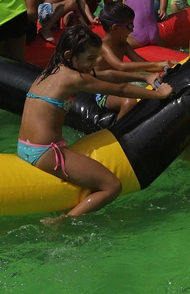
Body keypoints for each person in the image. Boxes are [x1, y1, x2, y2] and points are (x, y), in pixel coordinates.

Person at [19, 26, 172, 222]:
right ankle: (63, 221)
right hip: (45, 152)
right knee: (112, 186)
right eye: (91, 59)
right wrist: (158, 94)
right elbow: (122, 89)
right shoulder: (73, 78)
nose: (95, 64)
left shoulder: (52, 71)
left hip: (25, 146)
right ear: (69, 55)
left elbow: (106, 75)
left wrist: (144, 77)